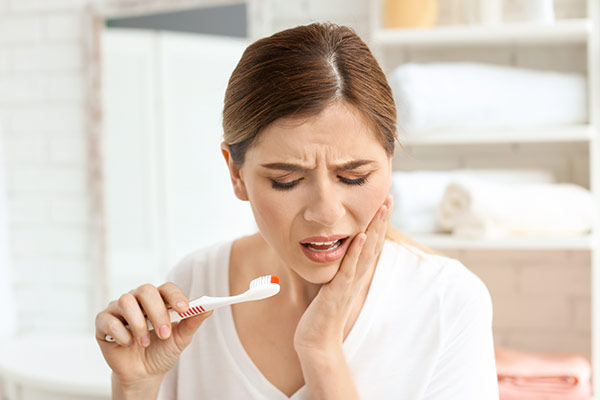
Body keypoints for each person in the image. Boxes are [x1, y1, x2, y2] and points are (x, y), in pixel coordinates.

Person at [95, 23, 499, 399]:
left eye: (354, 176)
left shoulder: (447, 302)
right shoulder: (196, 286)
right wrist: (136, 386)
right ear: (236, 174)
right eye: (286, 180)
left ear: (390, 161)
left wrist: (321, 352)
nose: (324, 212)